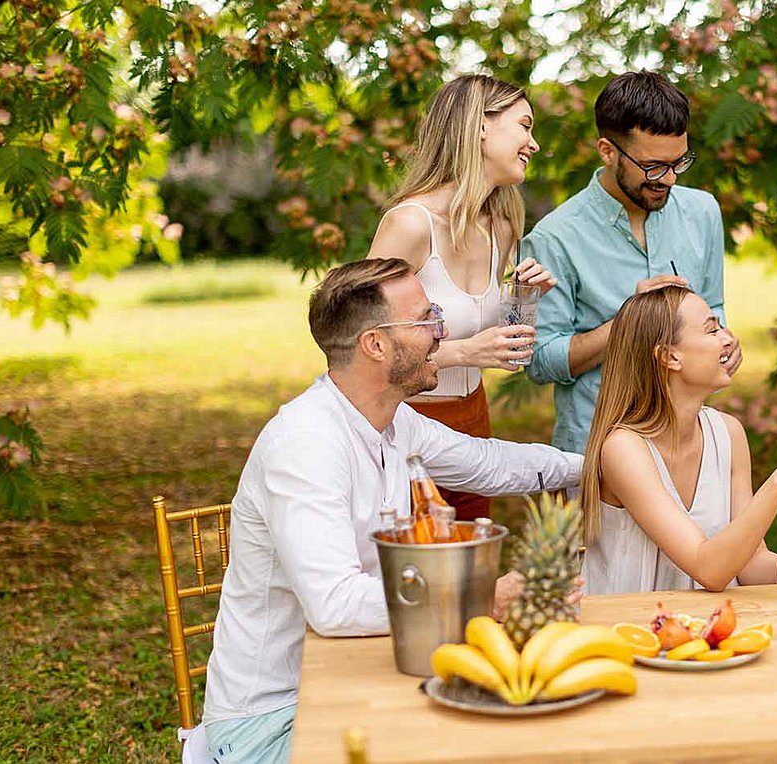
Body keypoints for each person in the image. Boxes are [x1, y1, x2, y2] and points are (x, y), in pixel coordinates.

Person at [201, 259, 581, 763]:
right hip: (275, 717)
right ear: (375, 344)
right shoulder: (306, 444)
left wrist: (598, 463)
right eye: (426, 320)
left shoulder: (393, 420)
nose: (440, 334)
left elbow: (489, 464)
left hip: (368, 673)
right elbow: (334, 606)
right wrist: (480, 599)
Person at [579, 286, 777, 595]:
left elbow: (748, 565)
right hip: (627, 633)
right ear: (670, 356)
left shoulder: (728, 433)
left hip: (704, 631)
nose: (728, 339)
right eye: (711, 330)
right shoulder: (623, 448)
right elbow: (710, 570)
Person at [368, 74, 557, 520]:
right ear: (481, 126)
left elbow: (506, 348)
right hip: (403, 424)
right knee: (414, 570)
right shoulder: (411, 224)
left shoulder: (503, 224)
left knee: (469, 568)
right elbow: (365, 341)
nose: (534, 143)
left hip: (474, 420)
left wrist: (525, 300)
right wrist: (467, 351)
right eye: (525, 126)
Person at [524, 70, 742, 455]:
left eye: (678, 162)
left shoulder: (703, 211)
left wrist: (721, 339)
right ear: (608, 151)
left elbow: (715, 307)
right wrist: (629, 324)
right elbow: (541, 361)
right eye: (653, 166)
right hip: (597, 451)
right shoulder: (553, 238)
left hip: (688, 448)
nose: (670, 179)